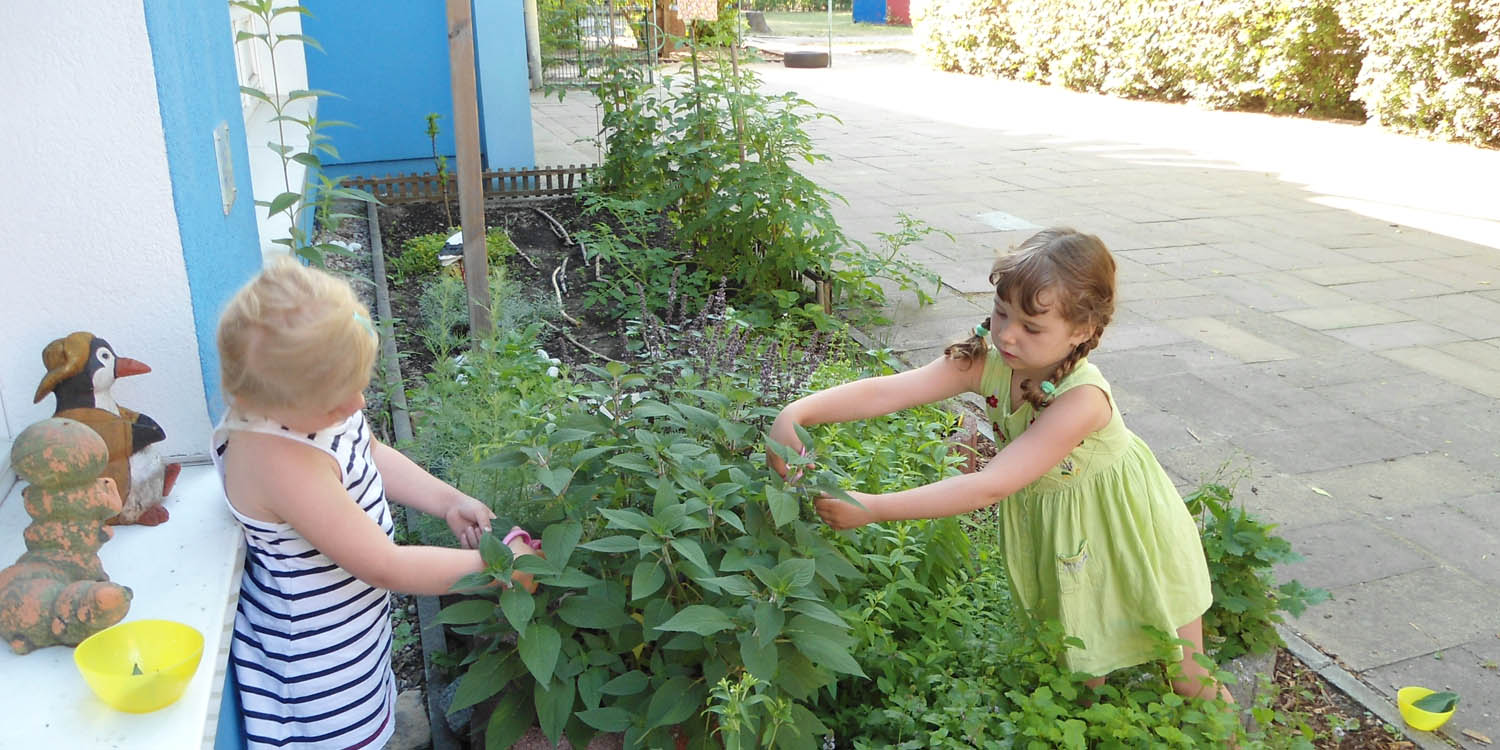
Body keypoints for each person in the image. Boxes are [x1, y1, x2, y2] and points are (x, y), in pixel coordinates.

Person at [768, 227, 1231, 704]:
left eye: (1031, 327)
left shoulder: (1082, 400)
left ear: (1083, 330)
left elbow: (990, 486)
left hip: (1129, 527)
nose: (1008, 335)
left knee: (1188, 676)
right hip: (1064, 533)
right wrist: (797, 413)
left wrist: (874, 508)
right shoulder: (987, 359)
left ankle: (1235, 739)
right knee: (1076, 663)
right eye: (1001, 313)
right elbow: (888, 391)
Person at [212, 258, 541, 749]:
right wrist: (499, 567)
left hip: (354, 629)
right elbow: (386, 566)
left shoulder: (302, 406)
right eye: (340, 399)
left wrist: (447, 500)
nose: (358, 405)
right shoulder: (277, 459)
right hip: (319, 674)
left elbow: (368, 452)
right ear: (270, 400)